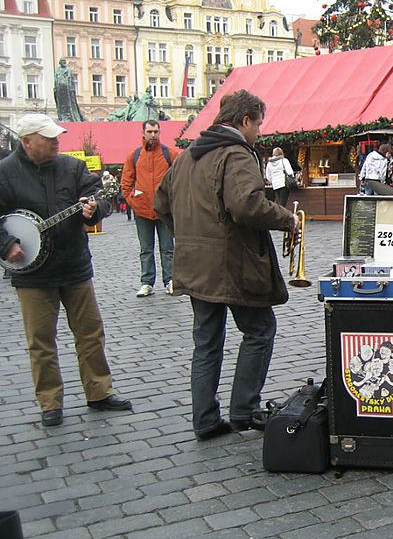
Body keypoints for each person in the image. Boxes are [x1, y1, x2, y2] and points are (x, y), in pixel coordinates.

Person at [154, 90, 301, 441]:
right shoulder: (236, 153)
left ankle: (205, 419)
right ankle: (244, 409)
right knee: (260, 329)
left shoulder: (188, 155)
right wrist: (287, 220)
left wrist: (187, 237)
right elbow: (247, 205)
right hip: (230, 264)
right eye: (259, 125)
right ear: (245, 121)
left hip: (194, 264)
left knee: (206, 342)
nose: (260, 133)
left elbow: (161, 202)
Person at [0, 113, 132, 427]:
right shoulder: (5, 173)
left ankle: (99, 391)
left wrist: (94, 210)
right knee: (41, 340)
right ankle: (50, 402)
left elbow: (100, 198)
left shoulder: (72, 167)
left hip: (74, 265)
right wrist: (6, 245)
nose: (57, 142)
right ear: (28, 141)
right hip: (33, 273)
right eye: (49, 138)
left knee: (90, 333)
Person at [121, 120, 178, 297]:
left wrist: (173, 201)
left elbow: (180, 177)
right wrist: (133, 201)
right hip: (142, 210)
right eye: (150, 131)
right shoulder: (134, 155)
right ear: (143, 132)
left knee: (167, 248)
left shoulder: (170, 154)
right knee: (146, 249)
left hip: (164, 210)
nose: (153, 135)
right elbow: (126, 182)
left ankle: (170, 280)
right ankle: (147, 282)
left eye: (156, 131)